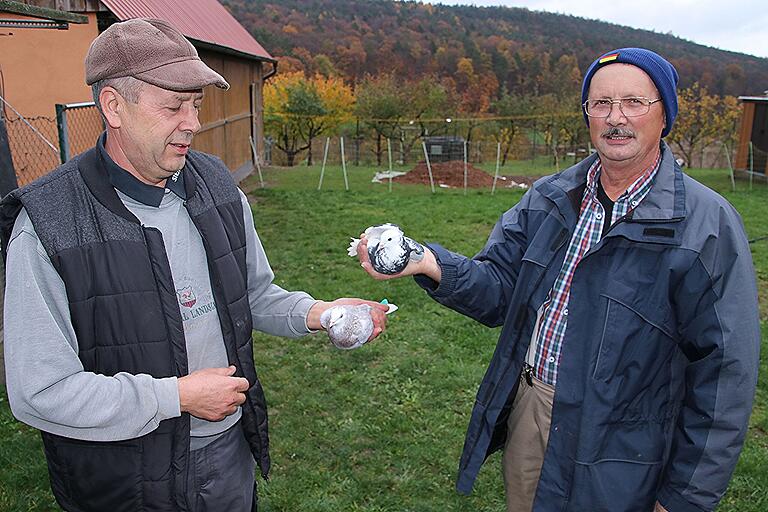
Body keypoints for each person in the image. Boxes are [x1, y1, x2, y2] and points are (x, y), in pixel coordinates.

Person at [0, 18, 387, 512]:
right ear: (113, 107)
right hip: (123, 481)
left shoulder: (215, 185)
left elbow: (252, 294)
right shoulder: (49, 225)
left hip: (228, 455)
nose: (193, 123)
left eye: (196, 105)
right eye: (173, 106)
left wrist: (321, 314)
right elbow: (40, 393)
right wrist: (175, 397)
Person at [357, 48, 760, 512]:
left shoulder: (706, 225)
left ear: (664, 114)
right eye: (601, 103)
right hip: (534, 408)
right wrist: (427, 261)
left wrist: (685, 497)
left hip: (627, 442)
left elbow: (725, 372)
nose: (615, 118)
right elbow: (499, 291)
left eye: (633, 102)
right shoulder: (549, 199)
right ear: (587, 113)